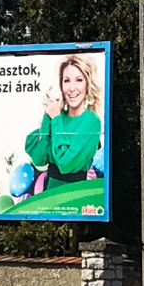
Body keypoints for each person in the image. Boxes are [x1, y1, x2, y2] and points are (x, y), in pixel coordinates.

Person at [23, 54, 104, 188]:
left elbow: (66, 164)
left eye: (79, 80)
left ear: (88, 84)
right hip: (48, 195)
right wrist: (47, 116)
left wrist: (55, 118)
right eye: (66, 81)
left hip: (73, 196)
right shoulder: (58, 117)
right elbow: (39, 159)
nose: (72, 88)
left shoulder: (91, 121)